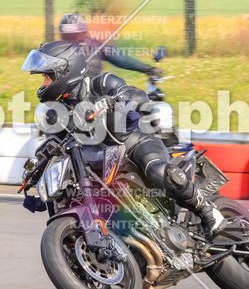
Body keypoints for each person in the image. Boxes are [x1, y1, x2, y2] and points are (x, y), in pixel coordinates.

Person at [21, 40, 225, 232]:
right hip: (101, 166)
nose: (44, 83)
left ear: (65, 71)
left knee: (157, 170)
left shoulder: (101, 84)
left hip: (134, 143)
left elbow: (138, 95)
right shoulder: (58, 114)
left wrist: (117, 98)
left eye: (47, 76)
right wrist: (35, 174)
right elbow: (53, 146)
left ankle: (208, 212)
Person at [58, 12, 163, 80]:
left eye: (75, 35)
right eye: (67, 36)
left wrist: (148, 69)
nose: (71, 39)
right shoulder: (57, 50)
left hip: (91, 94)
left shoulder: (94, 45)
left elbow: (120, 58)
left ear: (84, 33)